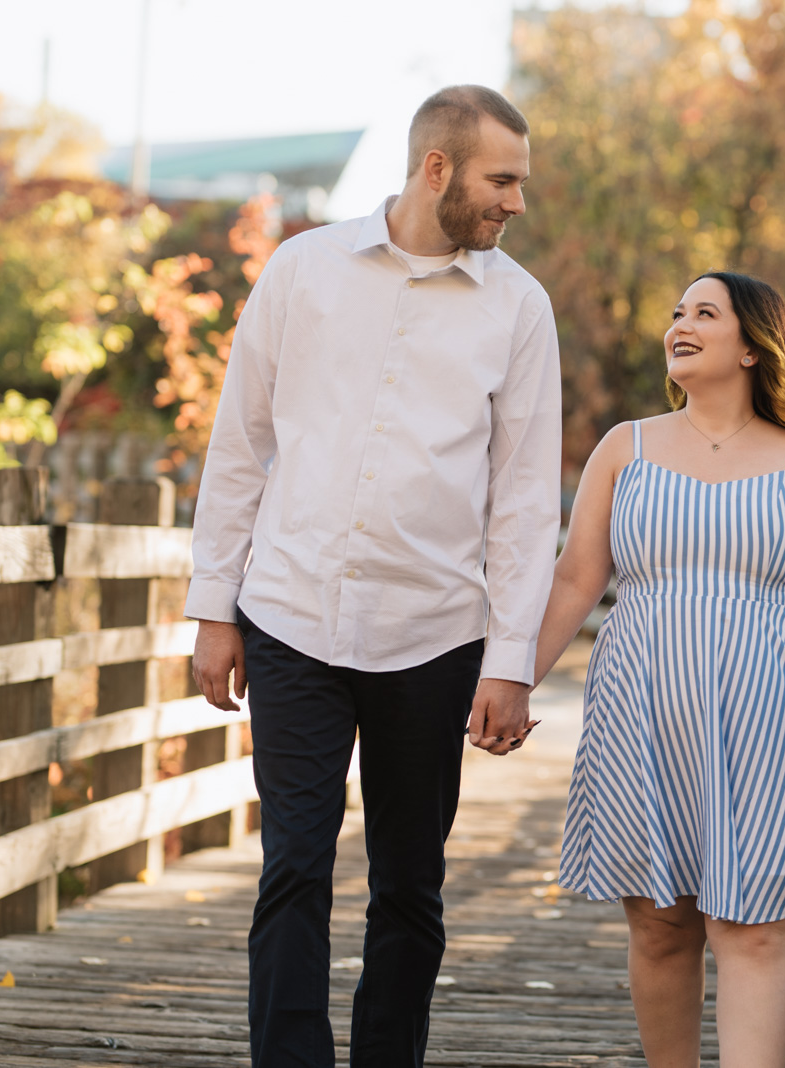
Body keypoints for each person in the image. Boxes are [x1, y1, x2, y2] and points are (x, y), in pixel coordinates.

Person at [185, 85, 560, 1068]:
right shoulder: (303, 270)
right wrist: (211, 609)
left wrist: (509, 660)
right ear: (436, 169)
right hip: (289, 615)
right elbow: (240, 447)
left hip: (432, 636)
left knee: (407, 886)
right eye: (502, 180)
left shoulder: (520, 308)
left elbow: (523, 500)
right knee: (293, 868)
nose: (516, 202)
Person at [530, 271, 785, 1067]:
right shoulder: (623, 448)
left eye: (706, 313)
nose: (681, 325)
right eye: (676, 313)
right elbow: (574, 579)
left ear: (750, 347)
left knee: (755, 926)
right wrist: (508, 681)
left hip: (773, 715)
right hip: (642, 713)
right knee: (662, 924)